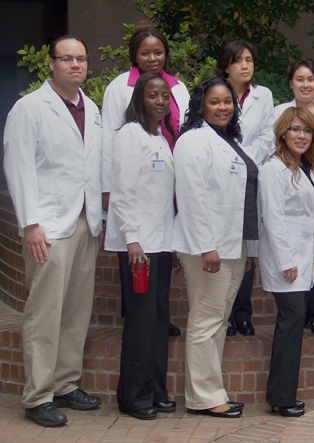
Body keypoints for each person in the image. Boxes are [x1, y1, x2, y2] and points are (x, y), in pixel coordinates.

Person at [3, 35, 103, 427]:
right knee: (44, 312)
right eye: (66, 58)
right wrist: (30, 222)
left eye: (80, 58)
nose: (75, 65)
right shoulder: (29, 108)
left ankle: (65, 383)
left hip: (84, 222)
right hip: (47, 226)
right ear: (51, 64)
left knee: (76, 310)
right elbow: (19, 166)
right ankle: (38, 395)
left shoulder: (90, 108)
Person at [172, 77, 257, 418]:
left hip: (232, 245)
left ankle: (210, 391)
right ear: (201, 105)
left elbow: (240, 201)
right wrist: (207, 246)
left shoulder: (228, 140)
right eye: (214, 101)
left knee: (219, 319)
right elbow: (192, 197)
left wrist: (247, 248)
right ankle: (204, 397)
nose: (223, 107)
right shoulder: (193, 140)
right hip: (208, 248)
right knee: (206, 320)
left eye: (228, 102)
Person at [102, 27, 190, 337]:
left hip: (167, 175)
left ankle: (153, 320)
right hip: (135, 179)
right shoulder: (119, 88)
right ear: (134, 56)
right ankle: (137, 317)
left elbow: (185, 133)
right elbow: (109, 142)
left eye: (158, 52)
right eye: (145, 52)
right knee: (138, 266)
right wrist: (106, 190)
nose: (153, 58)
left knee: (159, 267)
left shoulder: (178, 87)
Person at [104, 73, 177, 420]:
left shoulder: (161, 138)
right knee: (141, 320)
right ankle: (132, 395)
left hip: (161, 244)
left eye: (165, 95)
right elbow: (122, 191)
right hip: (139, 247)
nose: (160, 101)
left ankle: (156, 388)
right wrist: (132, 238)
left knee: (159, 319)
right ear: (139, 98)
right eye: (153, 95)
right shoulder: (129, 135)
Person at [260, 107, 314, 417]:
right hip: (287, 261)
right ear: (283, 133)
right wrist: (286, 260)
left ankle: (283, 394)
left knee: (295, 323)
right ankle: (281, 397)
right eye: (295, 129)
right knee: (292, 321)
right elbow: (273, 217)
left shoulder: (302, 168)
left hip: (302, 259)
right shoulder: (274, 168)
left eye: (307, 131)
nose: (301, 135)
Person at [275, 59, 314, 335]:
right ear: (291, 83)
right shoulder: (279, 112)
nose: (306, 84)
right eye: (300, 79)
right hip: (295, 184)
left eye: (311, 79)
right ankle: (300, 309)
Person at [216, 40, 275, 337]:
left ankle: (243, 312)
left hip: (251, 175)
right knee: (226, 241)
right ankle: (223, 314)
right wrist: (230, 158)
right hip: (221, 178)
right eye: (238, 60)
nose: (245, 65)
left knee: (248, 243)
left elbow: (268, 137)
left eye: (249, 60)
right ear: (226, 65)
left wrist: (242, 158)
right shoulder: (216, 91)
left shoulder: (263, 95)